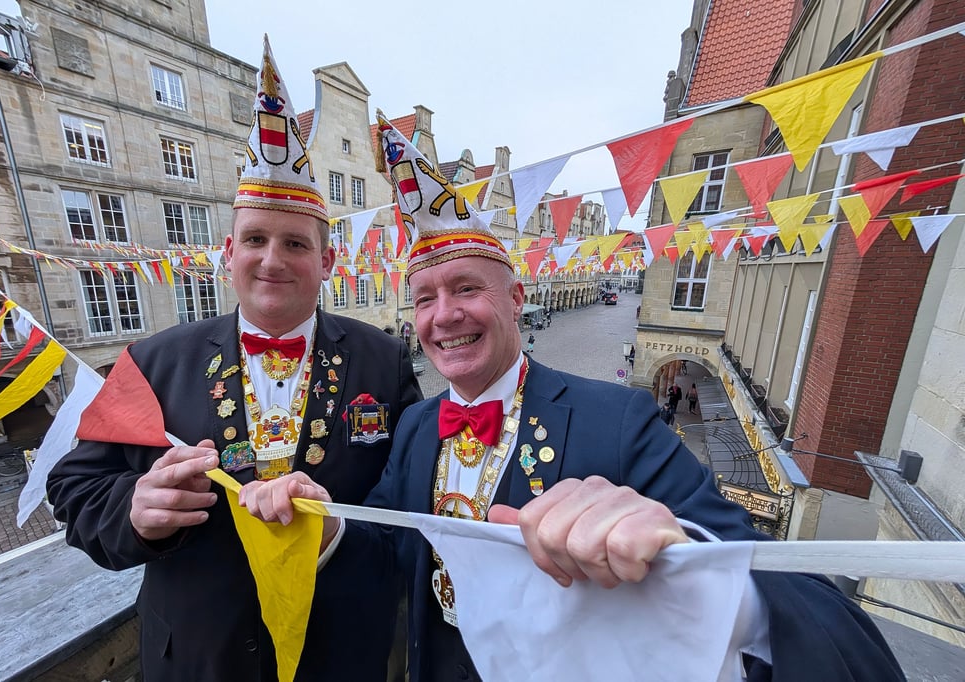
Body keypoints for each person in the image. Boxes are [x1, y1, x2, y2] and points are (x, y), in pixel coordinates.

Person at [240, 115, 903, 681]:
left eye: (466, 288)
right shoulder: (415, 426)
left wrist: (685, 563)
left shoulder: (616, 421)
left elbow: (812, 609)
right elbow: (388, 547)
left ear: (516, 299)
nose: (444, 316)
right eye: (425, 298)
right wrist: (328, 523)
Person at [46, 38, 422, 682]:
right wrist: (134, 508)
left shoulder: (384, 361)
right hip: (197, 662)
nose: (272, 260)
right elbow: (73, 488)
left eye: (295, 244)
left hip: (339, 658)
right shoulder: (151, 361)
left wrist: (338, 533)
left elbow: (413, 507)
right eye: (255, 239)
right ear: (228, 252)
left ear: (328, 261)